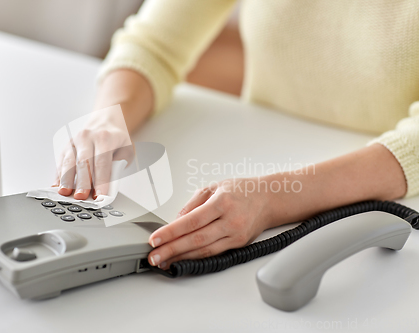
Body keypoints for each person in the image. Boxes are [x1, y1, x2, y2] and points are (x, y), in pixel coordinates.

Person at [54, 0, 419, 270]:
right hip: (256, 155)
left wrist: (275, 198)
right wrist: (110, 116)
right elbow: (153, 43)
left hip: (390, 202)